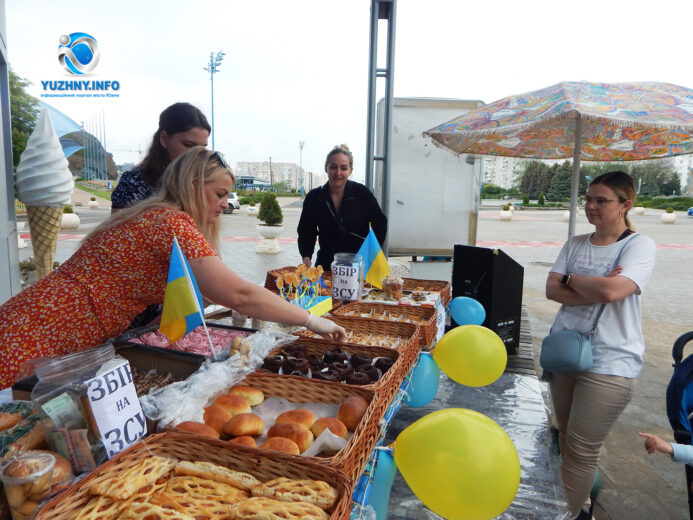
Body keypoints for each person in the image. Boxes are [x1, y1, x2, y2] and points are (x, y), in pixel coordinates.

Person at [0, 147, 345, 389]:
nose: (226, 205)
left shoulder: (153, 214)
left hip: (39, 321)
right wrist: (311, 320)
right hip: (40, 334)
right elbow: (238, 294)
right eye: (220, 194)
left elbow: (215, 290)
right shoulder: (172, 223)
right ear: (194, 186)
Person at [545, 171, 657, 520]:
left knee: (580, 448)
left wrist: (572, 280)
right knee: (565, 439)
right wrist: (591, 285)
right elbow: (551, 290)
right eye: (588, 199)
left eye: (602, 200)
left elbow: (613, 292)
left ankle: (567, 513)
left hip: (611, 363)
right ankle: (580, 503)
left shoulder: (638, 245)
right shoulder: (576, 242)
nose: (591, 206)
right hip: (566, 352)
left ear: (626, 204)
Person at [297, 144, 387, 271]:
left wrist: (369, 255)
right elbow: (306, 231)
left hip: (359, 267)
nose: (338, 173)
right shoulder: (314, 197)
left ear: (350, 170)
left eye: (344, 168)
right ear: (326, 168)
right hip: (326, 265)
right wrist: (306, 256)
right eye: (333, 167)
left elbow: (380, 224)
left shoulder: (362, 193)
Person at [111, 102, 210, 211]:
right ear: (164, 139)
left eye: (202, 149)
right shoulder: (134, 184)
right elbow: (117, 227)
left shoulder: (204, 181)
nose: (196, 154)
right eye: (189, 145)